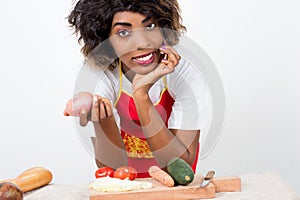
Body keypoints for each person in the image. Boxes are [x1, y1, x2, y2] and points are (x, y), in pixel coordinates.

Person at [64, 0, 209, 178]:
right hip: (126, 192)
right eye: (123, 33)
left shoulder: (185, 74)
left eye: (150, 26)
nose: (142, 43)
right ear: (107, 41)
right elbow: (114, 168)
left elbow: (181, 169)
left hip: (175, 192)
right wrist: (103, 118)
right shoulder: (100, 76)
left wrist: (141, 95)